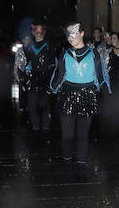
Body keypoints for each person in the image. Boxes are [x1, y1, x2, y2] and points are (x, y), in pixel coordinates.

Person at [49, 23, 110, 177]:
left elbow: (101, 77)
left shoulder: (94, 54)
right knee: (67, 135)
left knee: (83, 134)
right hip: (68, 95)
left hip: (87, 95)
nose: (70, 38)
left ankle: (81, 166)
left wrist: (107, 97)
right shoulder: (65, 54)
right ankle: (67, 164)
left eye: (74, 34)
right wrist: (50, 90)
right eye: (68, 35)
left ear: (82, 34)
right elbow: (58, 75)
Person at [21, 23, 57, 131]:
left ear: (44, 32)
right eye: (36, 31)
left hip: (45, 77)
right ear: (33, 32)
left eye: (40, 31)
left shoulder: (49, 45)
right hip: (33, 78)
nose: (38, 33)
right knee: (31, 105)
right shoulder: (29, 46)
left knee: (44, 104)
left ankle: (46, 125)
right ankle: (35, 125)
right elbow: (24, 62)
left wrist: (52, 80)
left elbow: (53, 63)